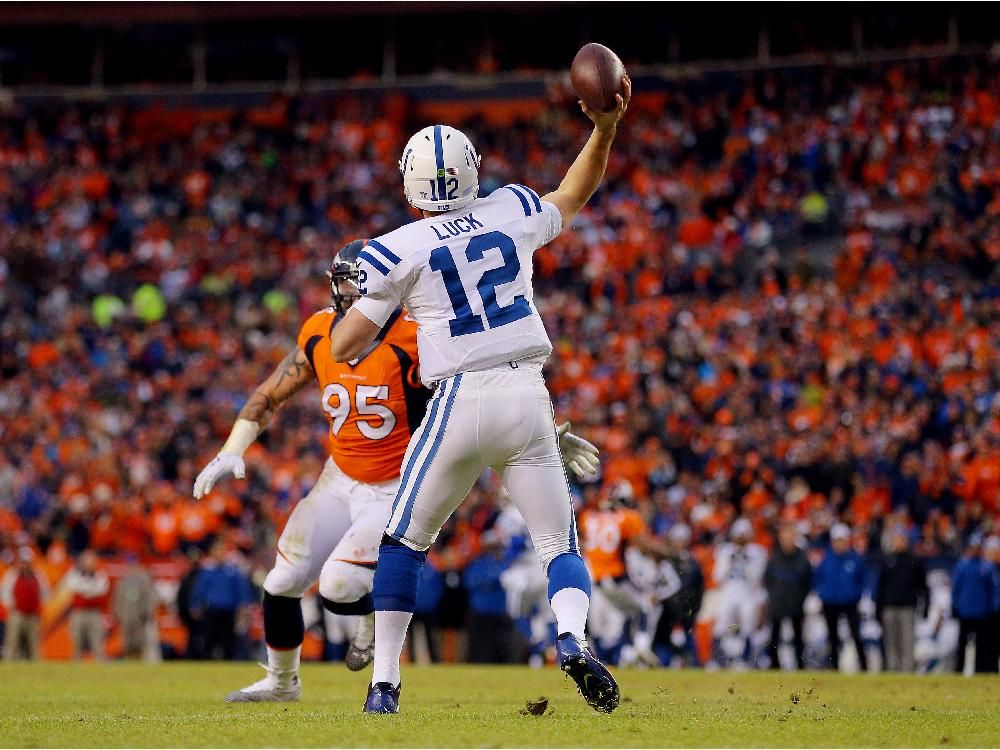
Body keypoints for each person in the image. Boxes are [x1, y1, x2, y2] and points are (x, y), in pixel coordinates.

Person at [327, 77, 631, 713]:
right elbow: (574, 193)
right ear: (472, 171)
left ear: (410, 184)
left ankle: (384, 684)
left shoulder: (398, 247)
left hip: (460, 398)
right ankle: (572, 638)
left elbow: (344, 347)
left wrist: (355, 300)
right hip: (527, 393)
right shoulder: (511, 210)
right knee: (560, 546)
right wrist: (603, 128)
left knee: (403, 544)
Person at [194, 244, 601, 700]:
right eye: (345, 281)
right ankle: (282, 682)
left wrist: (539, 432)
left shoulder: (416, 336)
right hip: (338, 477)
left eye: (359, 281)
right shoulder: (317, 331)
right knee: (281, 582)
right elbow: (268, 396)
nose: (351, 291)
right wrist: (231, 449)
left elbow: (476, 397)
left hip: (393, 484)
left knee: (339, 585)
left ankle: (372, 625)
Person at [578, 480, 669, 665]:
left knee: (621, 617)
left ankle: (627, 653)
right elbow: (642, 545)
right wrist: (668, 553)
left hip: (594, 580)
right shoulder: (628, 517)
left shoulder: (589, 517)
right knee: (644, 608)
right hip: (615, 577)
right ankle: (641, 648)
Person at [712, 518, 768, 667]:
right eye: (738, 535)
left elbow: (756, 577)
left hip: (747, 594)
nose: (740, 539)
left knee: (748, 626)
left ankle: (744, 660)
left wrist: (745, 560)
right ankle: (717, 660)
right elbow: (717, 576)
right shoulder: (725, 551)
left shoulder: (757, 552)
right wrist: (730, 561)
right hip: (729, 593)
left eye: (743, 535)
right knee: (722, 625)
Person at [813, 523, 869, 672]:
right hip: (830, 602)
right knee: (832, 637)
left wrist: (857, 595)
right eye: (837, 540)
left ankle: (864, 666)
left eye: (842, 540)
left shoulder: (855, 559)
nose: (839, 544)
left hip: (850, 602)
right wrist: (822, 594)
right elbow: (817, 578)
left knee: (856, 634)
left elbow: (862, 579)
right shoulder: (826, 558)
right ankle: (834, 667)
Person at [189, 541, 256, 660]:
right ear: (212, 553)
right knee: (209, 639)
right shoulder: (207, 571)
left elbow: (241, 590)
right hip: (211, 610)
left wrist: (244, 606)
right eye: (217, 551)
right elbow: (199, 589)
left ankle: (228, 662)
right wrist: (195, 604)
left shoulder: (232, 571)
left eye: (221, 551)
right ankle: (207, 662)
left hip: (229, 610)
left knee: (228, 640)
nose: (219, 554)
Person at [464, 530, 522, 664]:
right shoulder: (478, 563)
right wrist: (494, 579)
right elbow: (470, 581)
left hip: (500, 612)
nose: (494, 549)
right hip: (482, 612)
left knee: (502, 646)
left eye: (496, 546)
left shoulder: (506, 562)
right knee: (482, 647)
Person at [874, 528, 928, 672]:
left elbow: (923, 586)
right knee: (890, 641)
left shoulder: (914, 561)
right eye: (896, 539)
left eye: (901, 539)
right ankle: (892, 669)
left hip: (907, 606)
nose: (898, 543)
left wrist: (926, 607)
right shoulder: (887, 561)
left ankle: (907, 669)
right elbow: (880, 587)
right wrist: (878, 609)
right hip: (889, 607)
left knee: (907, 641)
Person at [652, 524, 704, 667]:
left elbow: (697, 587)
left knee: (685, 640)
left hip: (685, 609)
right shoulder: (667, 561)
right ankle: (663, 666)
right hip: (667, 609)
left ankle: (694, 666)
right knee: (664, 640)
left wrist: (695, 607)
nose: (678, 543)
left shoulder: (692, 563)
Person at [763, 523, 812, 670]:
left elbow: (807, 580)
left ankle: (800, 665)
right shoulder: (775, 557)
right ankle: (774, 664)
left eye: (790, 536)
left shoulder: (802, 558)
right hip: (778, 602)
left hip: (795, 602)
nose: (787, 540)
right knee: (774, 635)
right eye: (784, 537)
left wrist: (801, 598)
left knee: (798, 636)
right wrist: (774, 596)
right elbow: (767, 579)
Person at [951, 534, 996, 674]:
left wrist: (993, 608)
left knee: (982, 645)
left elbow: (994, 589)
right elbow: (955, 588)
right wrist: (955, 605)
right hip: (965, 611)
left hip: (982, 612)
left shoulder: (987, 567)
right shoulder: (962, 566)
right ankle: (958, 670)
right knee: (962, 644)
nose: (975, 550)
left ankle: (980, 670)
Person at [1, 547, 49, 661]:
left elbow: (45, 592)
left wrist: (39, 606)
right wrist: (12, 606)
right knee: (13, 641)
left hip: (33, 614)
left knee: (34, 642)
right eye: (23, 562)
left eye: (27, 562)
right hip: (17, 613)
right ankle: (9, 664)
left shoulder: (38, 575)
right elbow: (5, 592)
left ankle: (36, 665)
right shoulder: (12, 574)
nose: (25, 564)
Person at [64, 549, 110, 661]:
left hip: (94, 613)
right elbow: (74, 587)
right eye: (88, 560)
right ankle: (76, 664)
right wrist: (90, 590)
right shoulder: (74, 574)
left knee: (97, 641)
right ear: (82, 562)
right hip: (78, 612)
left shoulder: (100, 575)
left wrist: (85, 590)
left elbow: (101, 589)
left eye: (92, 561)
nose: (90, 563)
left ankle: (100, 665)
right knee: (77, 641)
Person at [112, 553, 156, 660]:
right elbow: (117, 598)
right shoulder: (123, 580)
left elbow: (149, 597)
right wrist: (117, 613)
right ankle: (129, 661)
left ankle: (139, 661)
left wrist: (147, 612)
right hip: (126, 615)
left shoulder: (143, 578)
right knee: (127, 640)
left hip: (139, 615)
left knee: (139, 641)